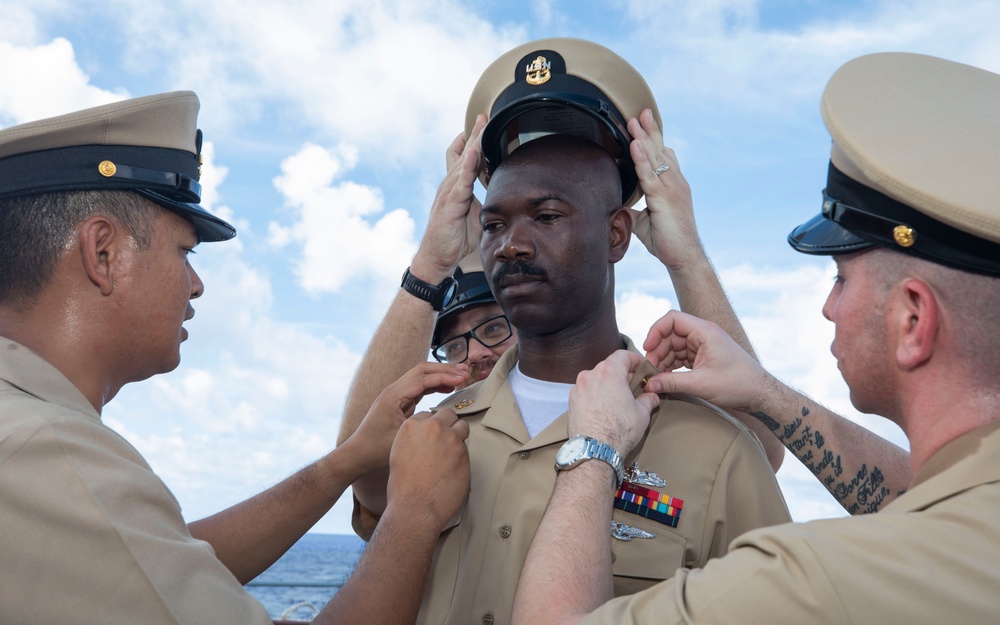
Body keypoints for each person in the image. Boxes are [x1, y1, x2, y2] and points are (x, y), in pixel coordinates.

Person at [512, 51, 1000, 625]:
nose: (828, 306)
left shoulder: (812, 583)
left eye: (841, 278)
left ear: (914, 319)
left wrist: (594, 448)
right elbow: (927, 497)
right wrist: (764, 392)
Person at [349, 38, 792, 625]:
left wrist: (687, 259)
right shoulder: (437, 433)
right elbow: (358, 470)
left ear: (617, 236)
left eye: (548, 216)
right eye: (494, 223)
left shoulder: (716, 448)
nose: (512, 244)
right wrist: (431, 261)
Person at [0, 92, 471, 625]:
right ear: (102, 253)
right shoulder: (49, 453)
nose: (196, 286)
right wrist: (415, 512)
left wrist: (346, 462)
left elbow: (160, 568)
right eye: (185, 251)